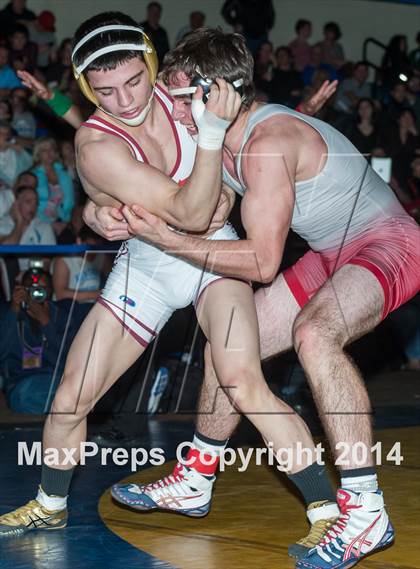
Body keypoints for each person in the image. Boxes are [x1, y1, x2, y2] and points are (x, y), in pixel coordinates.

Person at [0, 14, 340, 559]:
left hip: (212, 259)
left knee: (243, 383)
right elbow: (190, 210)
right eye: (105, 91)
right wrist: (98, 204)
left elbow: (253, 133)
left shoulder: (182, 91)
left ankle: (328, 511)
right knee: (69, 398)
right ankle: (50, 500)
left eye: (135, 81)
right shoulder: (95, 147)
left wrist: (295, 119)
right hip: (150, 266)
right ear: (88, 89)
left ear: (154, 67)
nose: (126, 100)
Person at [116, 28, 420, 569]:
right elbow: (211, 209)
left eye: (183, 99)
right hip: (331, 252)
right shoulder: (231, 140)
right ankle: (196, 477)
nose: (173, 111)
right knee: (229, 344)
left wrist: (170, 240)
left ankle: (366, 510)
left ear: (220, 92)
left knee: (315, 335)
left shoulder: (264, 143)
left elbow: (260, 261)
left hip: (389, 242)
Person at [0, 269, 89, 413]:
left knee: (85, 385)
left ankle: (70, 404)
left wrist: (46, 323)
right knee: (25, 396)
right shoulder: (8, 312)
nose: (36, 293)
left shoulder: (63, 314)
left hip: (60, 378)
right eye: (31, 289)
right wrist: (13, 312)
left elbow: (71, 357)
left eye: (42, 289)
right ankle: (73, 405)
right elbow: (2, 353)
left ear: (51, 292)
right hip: (24, 382)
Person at [0, 185, 56, 272]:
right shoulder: (3, 223)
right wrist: (19, 224)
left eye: (36, 203)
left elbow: (45, 263)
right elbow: (5, 251)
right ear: (16, 204)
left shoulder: (44, 227)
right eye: (28, 202)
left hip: (34, 274)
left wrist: (27, 271)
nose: (33, 207)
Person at [31, 136, 75, 234]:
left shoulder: (64, 175)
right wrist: (49, 223)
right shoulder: (32, 175)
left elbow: (70, 203)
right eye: (44, 150)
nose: (49, 153)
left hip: (62, 221)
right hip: (38, 221)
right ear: (38, 154)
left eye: (52, 149)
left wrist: (65, 222)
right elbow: (31, 205)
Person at [140, 2, 169, 67]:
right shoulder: (141, 29)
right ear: (148, 12)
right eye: (153, 11)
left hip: (159, 66)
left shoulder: (162, 32)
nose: (155, 14)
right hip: (145, 65)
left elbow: (166, 52)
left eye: (157, 12)